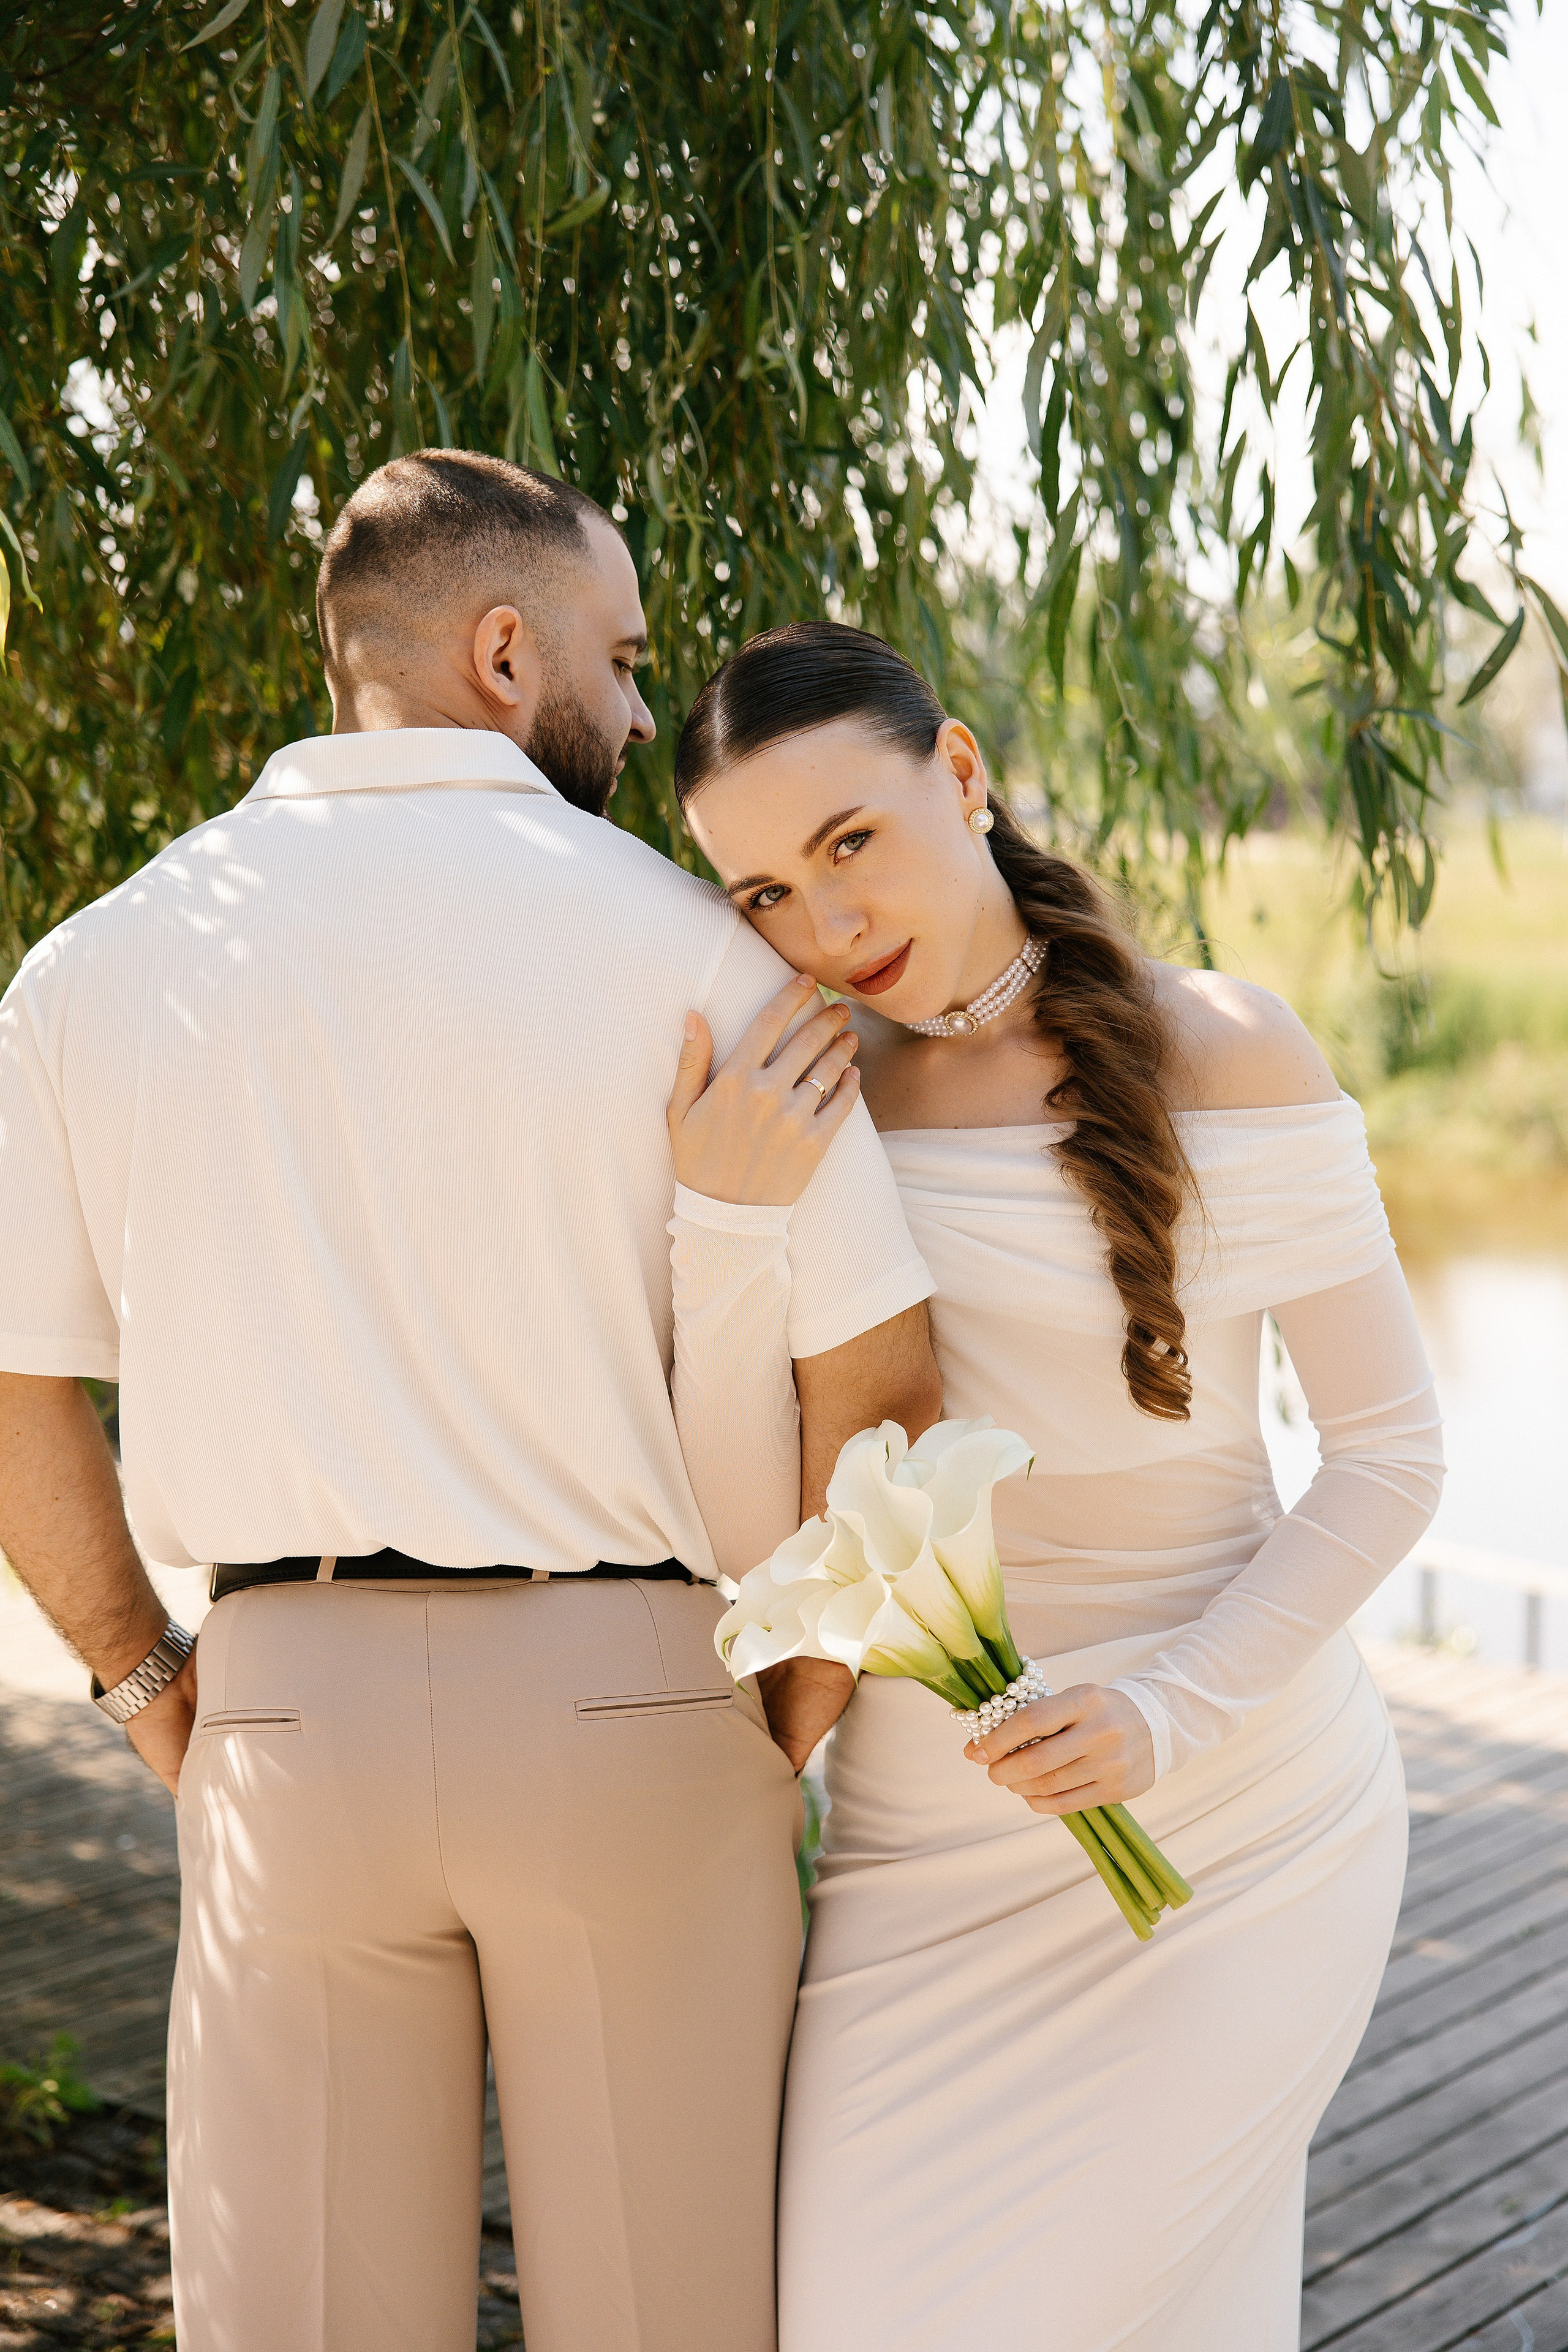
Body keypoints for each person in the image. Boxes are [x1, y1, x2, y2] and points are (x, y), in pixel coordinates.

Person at [0, 464, 941, 2352]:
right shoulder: (701, 951)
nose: (643, 706)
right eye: (621, 658)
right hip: (638, 1713)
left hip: (285, 1718)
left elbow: (19, 1393)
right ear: (502, 654)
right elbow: (880, 1377)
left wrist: (151, 1691)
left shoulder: (96, 965)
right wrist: (796, 1709)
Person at [663, 620, 1445, 2350]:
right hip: (917, 1849)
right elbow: (752, 1512)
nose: (826, 925)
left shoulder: (1222, 1049)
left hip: (1234, 1810)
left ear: (959, 772)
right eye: (765, 896)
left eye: (848, 843)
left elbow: (1390, 1454)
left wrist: (1167, 1710)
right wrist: (719, 1220)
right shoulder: (809, 1104)